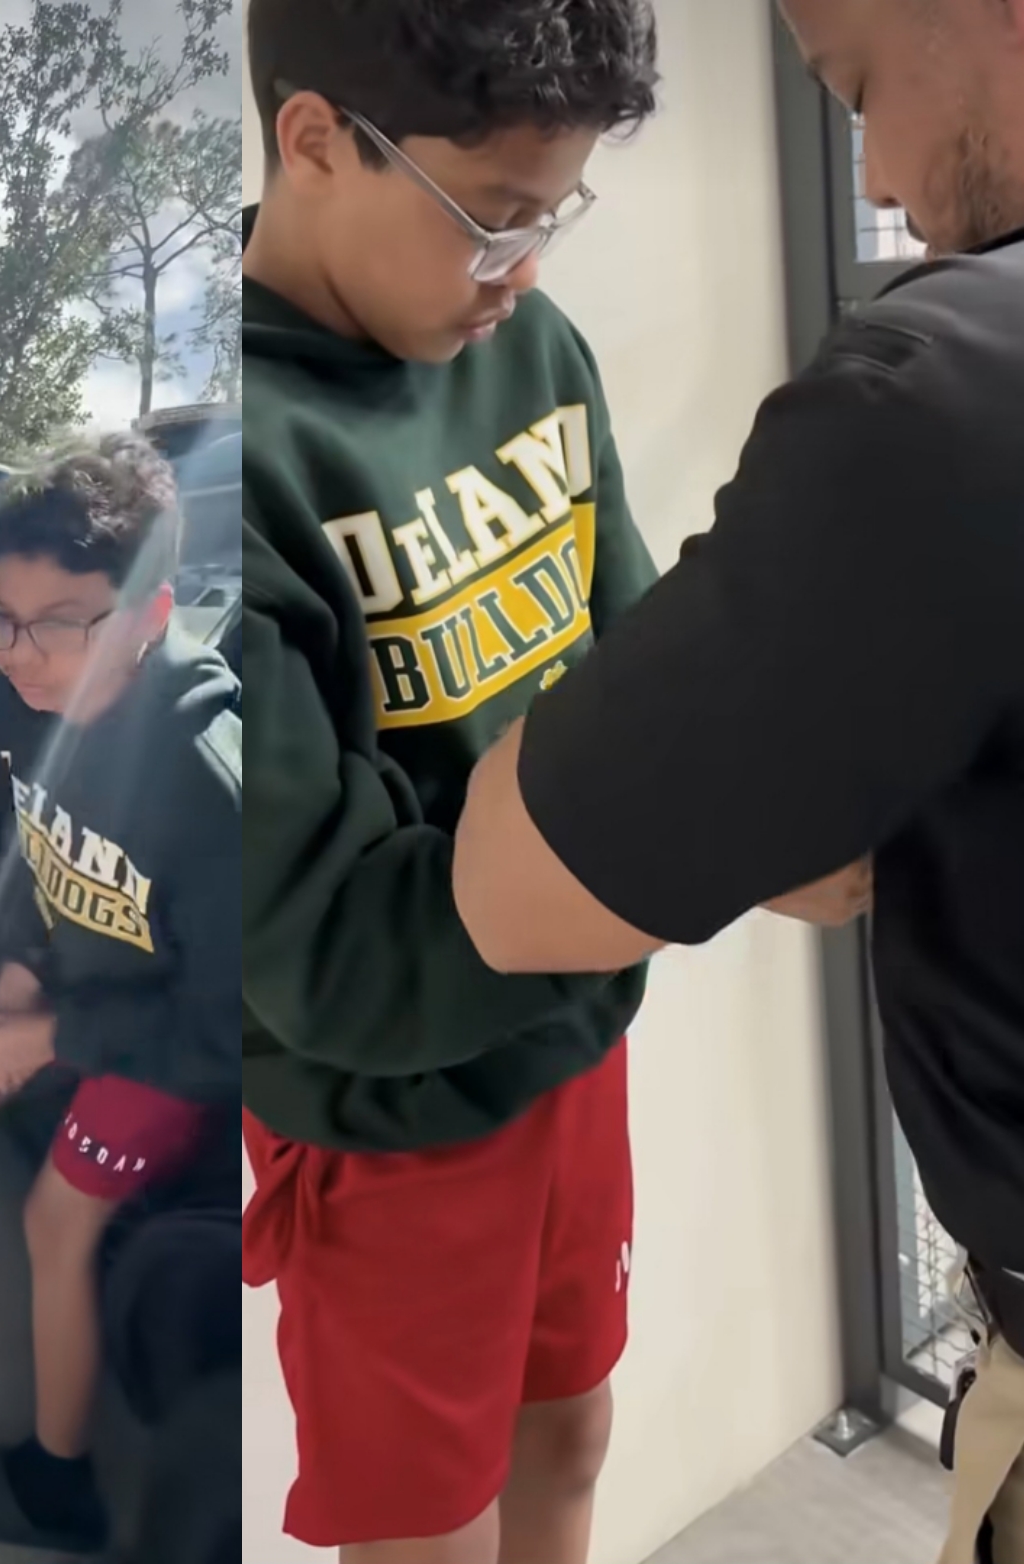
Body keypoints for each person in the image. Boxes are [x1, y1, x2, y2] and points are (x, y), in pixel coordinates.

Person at [449, 3, 1024, 1561]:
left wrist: (778, 801)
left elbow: (511, 886)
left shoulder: (945, 380)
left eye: (858, 93)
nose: (886, 178)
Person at [238, 3, 748, 1561]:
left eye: (552, 217)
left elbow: (641, 658)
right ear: (315, 139)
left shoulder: (522, 342)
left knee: (573, 1430)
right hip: (393, 1115)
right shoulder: (234, 470)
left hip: (572, 1040)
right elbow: (329, 950)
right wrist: (664, 869)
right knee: (429, 1535)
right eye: (491, 221)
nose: (522, 275)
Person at [0, 432, 240, 1555]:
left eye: (60, 624)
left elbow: (222, 1027)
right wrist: (7, 1008)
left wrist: (49, 1032)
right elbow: (29, 859)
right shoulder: (15, 706)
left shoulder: (211, 780)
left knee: (56, 1220)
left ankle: (61, 1489)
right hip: (83, 1004)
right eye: (1, 617)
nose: (22, 654)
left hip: (164, 1044)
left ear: (150, 615)